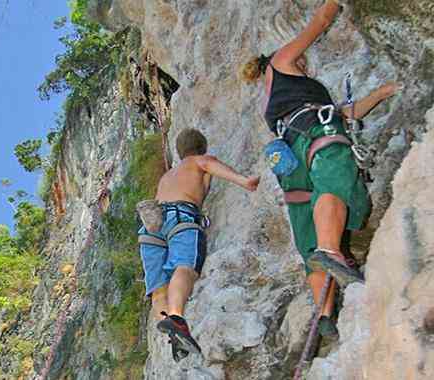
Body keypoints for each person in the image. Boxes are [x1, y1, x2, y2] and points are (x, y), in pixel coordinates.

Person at [241, 0, 399, 337]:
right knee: (334, 182)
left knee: (306, 230)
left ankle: (324, 313)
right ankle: (332, 252)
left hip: (291, 159)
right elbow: (321, 20)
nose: (307, 69)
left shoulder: (271, 103)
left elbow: (349, 113)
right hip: (318, 135)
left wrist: (382, 94)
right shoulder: (282, 62)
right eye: (304, 65)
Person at [138, 128, 259, 361]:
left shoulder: (168, 175)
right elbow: (210, 166)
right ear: (201, 148)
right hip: (180, 216)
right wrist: (245, 181)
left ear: (179, 151)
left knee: (158, 290)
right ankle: (177, 319)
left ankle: (172, 332)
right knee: (185, 267)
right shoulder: (198, 161)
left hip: (150, 224)